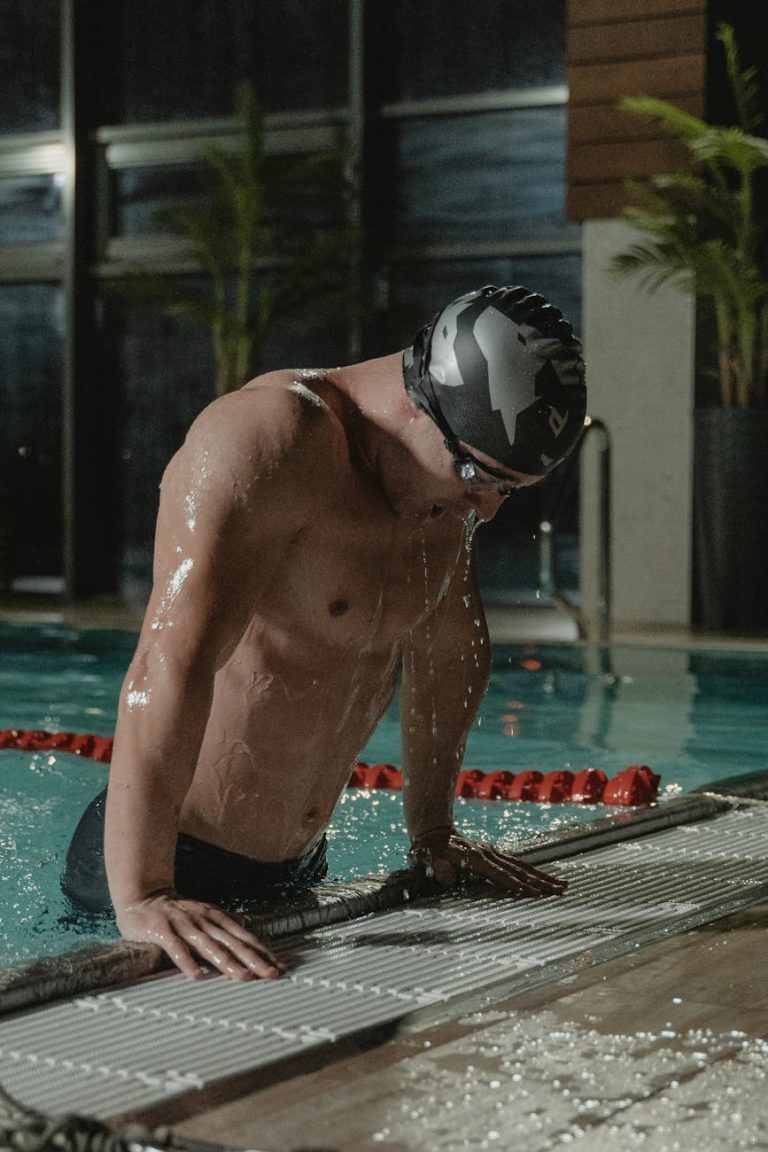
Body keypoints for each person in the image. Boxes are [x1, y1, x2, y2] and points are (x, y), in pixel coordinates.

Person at [62, 284, 586, 982]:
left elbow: (449, 653)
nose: (484, 510)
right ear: (420, 401)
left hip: (296, 865)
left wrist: (433, 833)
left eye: (506, 490)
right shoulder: (270, 441)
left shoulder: (435, 496)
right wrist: (143, 893)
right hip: (161, 864)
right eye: (475, 477)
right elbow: (172, 658)